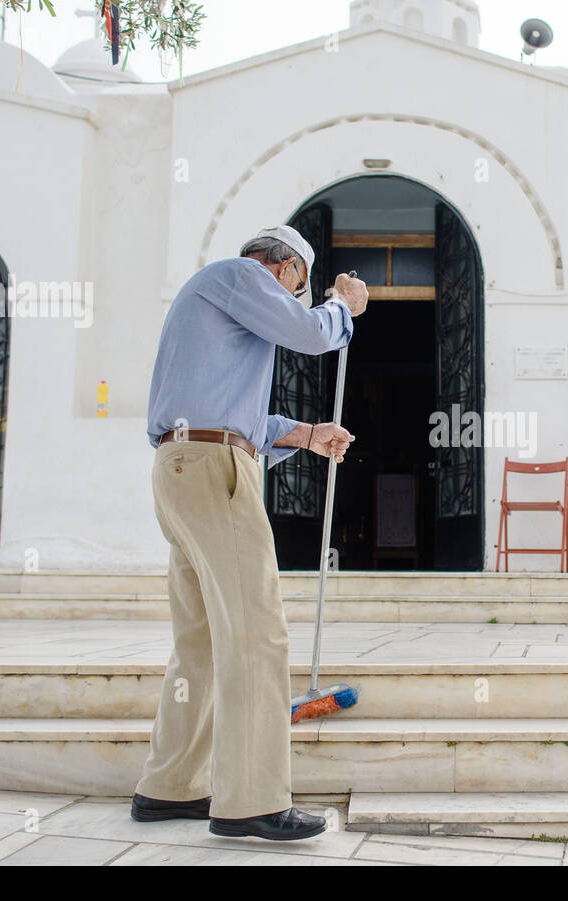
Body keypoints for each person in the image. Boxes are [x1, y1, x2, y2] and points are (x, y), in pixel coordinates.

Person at [133, 224, 368, 840]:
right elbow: (309, 334)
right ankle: (252, 800)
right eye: (300, 285)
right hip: (213, 472)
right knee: (258, 633)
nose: (295, 294)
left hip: (181, 466)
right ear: (287, 268)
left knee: (202, 641)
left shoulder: (211, 297)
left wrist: (308, 434)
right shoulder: (242, 277)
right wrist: (340, 306)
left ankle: (170, 786)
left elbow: (234, 415)